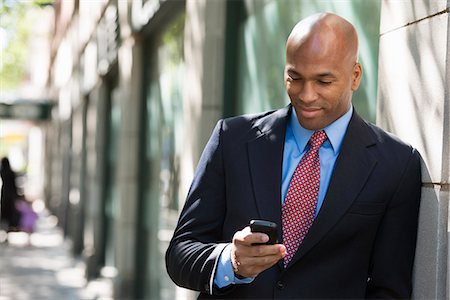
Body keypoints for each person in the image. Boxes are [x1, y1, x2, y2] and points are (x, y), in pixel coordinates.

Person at [166, 12, 422, 299]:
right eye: (295, 78)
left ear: (355, 76)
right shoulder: (232, 139)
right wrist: (231, 261)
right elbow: (180, 254)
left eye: (324, 81)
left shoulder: (397, 164)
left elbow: (390, 289)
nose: (306, 95)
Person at [0, 157, 21, 233]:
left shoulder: (2, 171)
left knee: (5, 211)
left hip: (5, 193)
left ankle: (5, 226)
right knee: (11, 212)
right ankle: (10, 226)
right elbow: (14, 184)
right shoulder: (11, 172)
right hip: (11, 194)